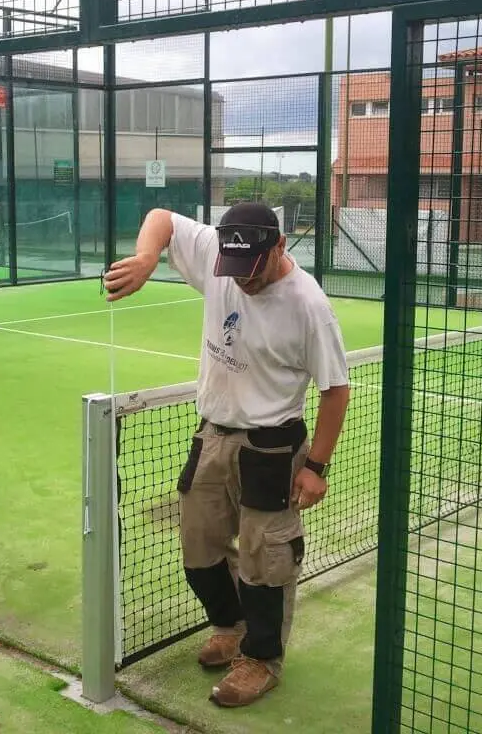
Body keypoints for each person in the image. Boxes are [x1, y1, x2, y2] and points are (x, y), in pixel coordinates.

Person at [103, 202, 351, 708]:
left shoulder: (309, 306)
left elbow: (335, 390)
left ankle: (261, 659)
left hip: (272, 445)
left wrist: (315, 467)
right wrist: (148, 257)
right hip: (212, 434)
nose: (241, 280)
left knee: (266, 561)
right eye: (233, 269)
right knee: (198, 549)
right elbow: (161, 218)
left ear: (279, 247)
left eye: (252, 269)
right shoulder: (224, 257)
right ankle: (230, 625)